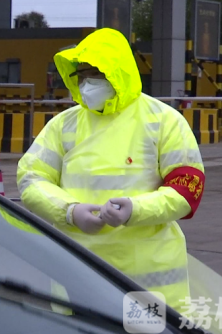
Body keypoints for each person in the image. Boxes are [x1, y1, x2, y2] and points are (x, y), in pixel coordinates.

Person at [16, 28, 205, 313]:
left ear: (118, 72)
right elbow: (31, 178)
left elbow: (186, 190)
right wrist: (69, 211)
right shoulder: (63, 124)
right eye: (81, 74)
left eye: (96, 73)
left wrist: (135, 210)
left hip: (150, 283)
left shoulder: (164, 120)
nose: (86, 83)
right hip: (78, 276)